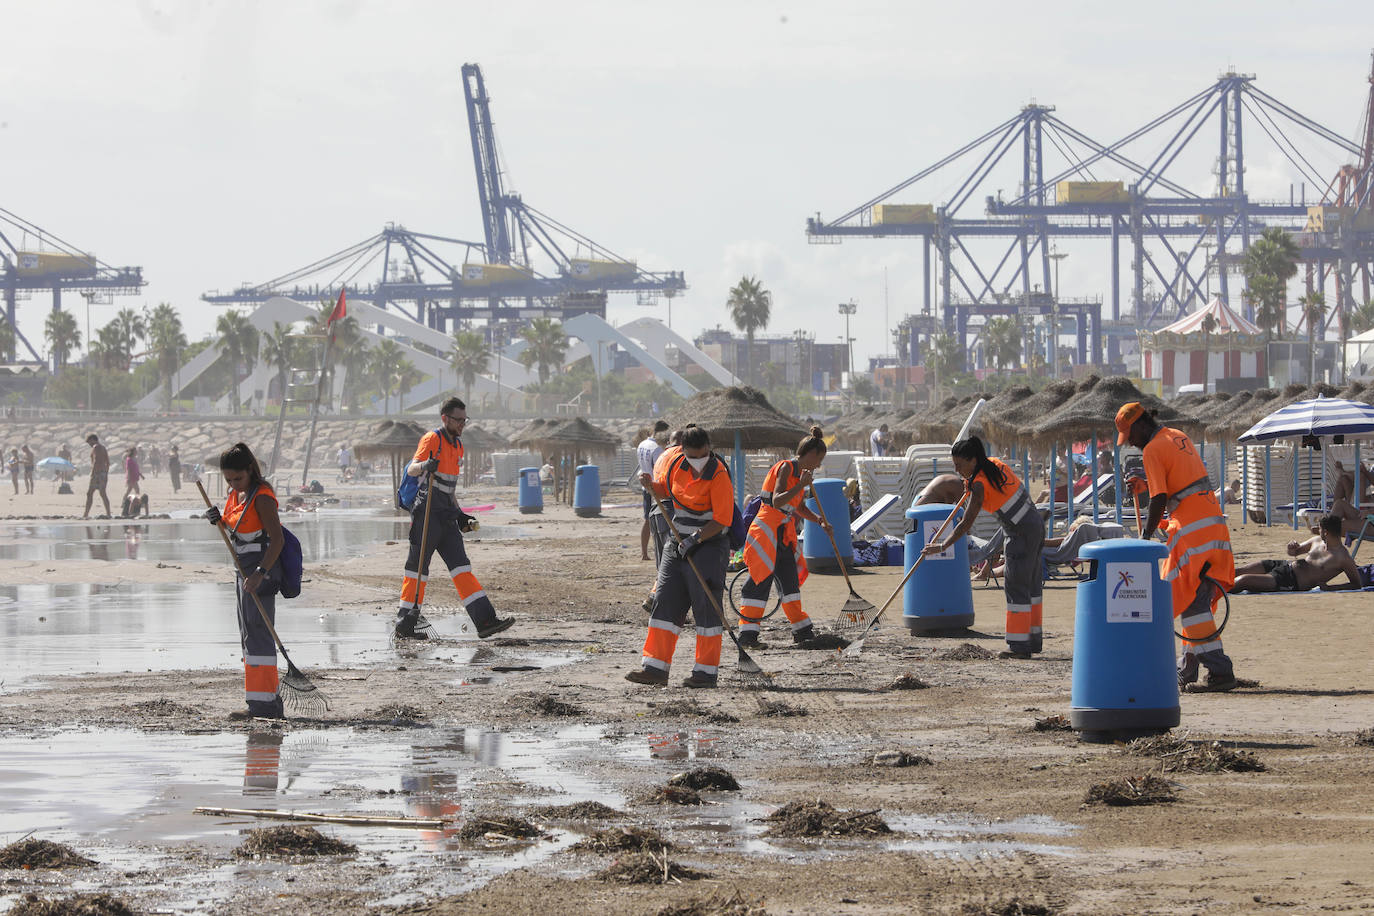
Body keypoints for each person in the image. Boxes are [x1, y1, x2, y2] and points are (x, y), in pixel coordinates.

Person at [1118, 401, 1239, 692]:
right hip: (1213, 525)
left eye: (1130, 436)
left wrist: (1145, 536)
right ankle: (1187, 669)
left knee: (1189, 604)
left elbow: (1160, 500)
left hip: (1191, 532)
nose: (1131, 444)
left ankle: (1220, 670)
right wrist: (1146, 485)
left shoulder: (1152, 449)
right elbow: (1184, 483)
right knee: (1192, 600)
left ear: (1139, 425)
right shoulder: (1177, 436)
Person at [394, 397, 514, 641]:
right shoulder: (432, 439)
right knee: (418, 570)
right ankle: (405, 621)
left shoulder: (458, 446)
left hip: (446, 514)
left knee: (462, 568)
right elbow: (411, 470)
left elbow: (449, 488)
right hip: (426, 512)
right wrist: (426, 464)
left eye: (464, 420)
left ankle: (485, 621)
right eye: (458, 420)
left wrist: (460, 515)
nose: (462, 425)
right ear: (445, 418)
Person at [627, 423, 732, 688]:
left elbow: (721, 519)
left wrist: (696, 539)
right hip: (677, 544)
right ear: (683, 451)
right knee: (664, 603)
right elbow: (666, 490)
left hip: (709, 546)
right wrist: (650, 485)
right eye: (693, 457)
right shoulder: (676, 464)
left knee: (707, 610)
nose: (698, 462)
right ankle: (655, 669)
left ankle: (706, 673)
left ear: (709, 450)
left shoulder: (719, 473)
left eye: (703, 456)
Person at [925, 436, 1044, 658]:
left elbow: (965, 524)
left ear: (973, 460)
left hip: (1020, 534)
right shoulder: (996, 465)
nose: (957, 470)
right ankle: (1033, 641)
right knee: (1032, 587)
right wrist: (969, 485)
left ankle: (1020, 647)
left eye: (959, 465)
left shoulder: (979, 484)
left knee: (1017, 587)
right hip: (1035, 526)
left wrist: (942, 545)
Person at [202, 443, 286, 720]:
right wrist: (219, 520)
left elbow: (277, 540)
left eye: (237, 478)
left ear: (250, 470)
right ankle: (258, 702)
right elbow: (238, 529)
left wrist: (260, 573)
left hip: (261, 570)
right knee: (248, 634)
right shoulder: (236, 496)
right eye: (228, 479)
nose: (233, 484)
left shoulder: (262, 497)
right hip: (242, 570)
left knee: (259, 633)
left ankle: (266, 706)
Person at [737, 426, 831, 647]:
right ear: (812, 454)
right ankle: (747, 634)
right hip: (765, 529)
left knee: (789, 582)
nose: (818, 465)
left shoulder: (803, 475)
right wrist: (801, 484)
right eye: (819, 460)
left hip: (782, 532)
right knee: (760, 581)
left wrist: (819, 520)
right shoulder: (787, 468)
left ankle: (802, 630)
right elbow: (778, 500)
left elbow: (797, 506)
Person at [1233, 514, 1363, 592]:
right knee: (1237, 571)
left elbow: (1357, 584)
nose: (1318, 532)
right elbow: (1294, 552)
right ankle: (1213, 581)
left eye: (1320, 529)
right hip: (1283, 565)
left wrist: (1330, 588)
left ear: (1326, 532)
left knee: (1244, 580)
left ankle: (1214, 592)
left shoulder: (1343, 557)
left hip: (1289, 581)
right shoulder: (1317, 540)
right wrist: (1291, 548)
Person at [636, 421, 670, 561]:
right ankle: (660, 552)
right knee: (659, 521)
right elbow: (659, 470)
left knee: (647, 520)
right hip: (655, 488)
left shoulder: (642, 444)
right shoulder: (657, 449)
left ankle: (644, 552)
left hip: (645, 486)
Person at [83, 433, 112, 519]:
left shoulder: (95, 447)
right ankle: (108, 513)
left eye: (89, 442)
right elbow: (108, 462)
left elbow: (96, 461)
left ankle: (86, 514)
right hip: (103, 473)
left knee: (90, 493)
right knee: (103, 493)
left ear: (93, 440)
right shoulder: (103, 447)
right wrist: (105, 472)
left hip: (97, 473)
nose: (89, 445)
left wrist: (93, 472)